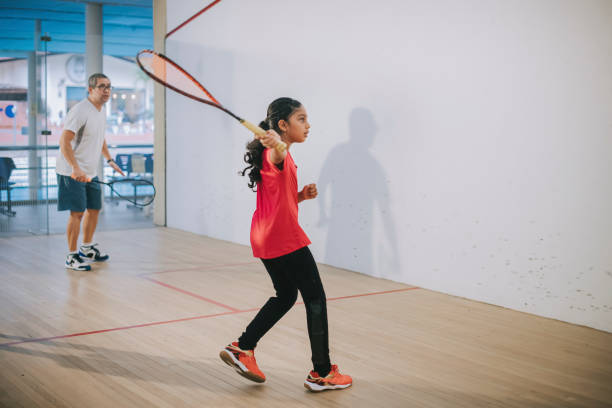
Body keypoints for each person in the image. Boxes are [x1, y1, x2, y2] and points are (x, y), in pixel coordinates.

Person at [219, 97, 352, 392]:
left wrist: (301, 195)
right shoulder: (276, 154)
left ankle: (243, 347)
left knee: (286, 295)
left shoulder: (284, 156)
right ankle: (321, 372)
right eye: (301, 119)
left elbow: (280, 197)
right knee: (315, 299)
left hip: (265, 236)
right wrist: (274, 144)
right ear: (282, 125)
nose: (308, 125)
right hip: (283, 238)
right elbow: (276, 154)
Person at [55, 73, 125, 271]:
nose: (106, 91)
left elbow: (99, 138)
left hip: (90, 171)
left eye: (109, 87)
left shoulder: (101, 110)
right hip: (71, 171)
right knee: (77, 213)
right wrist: (75, 168)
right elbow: (64, 141)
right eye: (102, 86)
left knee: (94, 209)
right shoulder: (80, 111)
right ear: (90, 89)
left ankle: (86, 248)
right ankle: (71, 256)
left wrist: (109, 159)